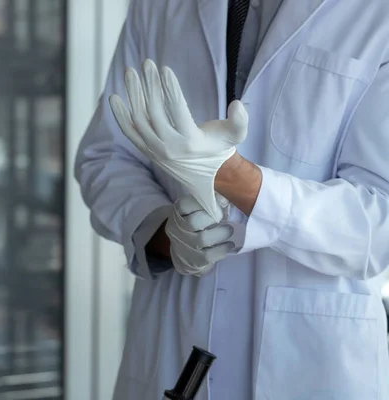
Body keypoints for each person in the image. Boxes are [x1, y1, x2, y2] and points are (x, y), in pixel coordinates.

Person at [74, 0, 389, 399]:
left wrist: (237, 179)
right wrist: (166, 235)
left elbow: (378, 221)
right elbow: (106, 158)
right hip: (171, 346)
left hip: (312, 364)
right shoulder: (157, 7)